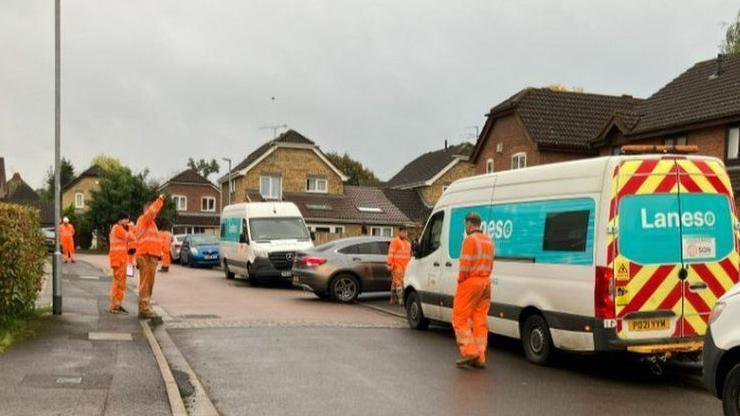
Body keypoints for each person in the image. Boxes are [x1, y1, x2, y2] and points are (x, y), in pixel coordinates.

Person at [453, 212, 494, 369]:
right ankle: (480, 356)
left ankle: (470, 352)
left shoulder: (470, 240)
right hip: (486, 282)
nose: (466, 227)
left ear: (469, 224)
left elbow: (465, 265)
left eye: (466, 225)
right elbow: (490, 265)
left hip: (471, 282)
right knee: (480, 319)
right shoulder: (489, 241)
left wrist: (461, 280)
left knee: (459, 318)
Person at [135, 195, 166, 319]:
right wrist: (160, 200)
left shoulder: (151, 223)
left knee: (149, 283)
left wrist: (159, 254)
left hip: (150, 255)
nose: (155, 214)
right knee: (146, 283)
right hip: (146, 255)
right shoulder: (144, 219)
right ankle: (144, 309)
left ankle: (145, 306)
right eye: (153, 211)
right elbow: (152, 211)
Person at [108, 212, 135, 314]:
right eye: (126, 219)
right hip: (118, 260)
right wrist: (131, 229)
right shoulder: (118, 228)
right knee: (118, 283)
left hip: (121, 260)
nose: (127, 221)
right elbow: (130, 237)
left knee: (121, 284)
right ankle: (114, 306)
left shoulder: (119, 228)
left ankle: (118, 304)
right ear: (120, 220)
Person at [386, 225, 412, 305]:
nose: (405, 234)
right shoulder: (395, 241)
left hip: (405, 266)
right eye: (403, 232)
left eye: (406, 232)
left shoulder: (408, 243)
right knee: (399, 283)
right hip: (397, 265)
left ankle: (393, 299)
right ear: (400, 232)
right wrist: (390, 263)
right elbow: (391, 253)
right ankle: (401, 300)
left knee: (395, 282)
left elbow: (410, 255)